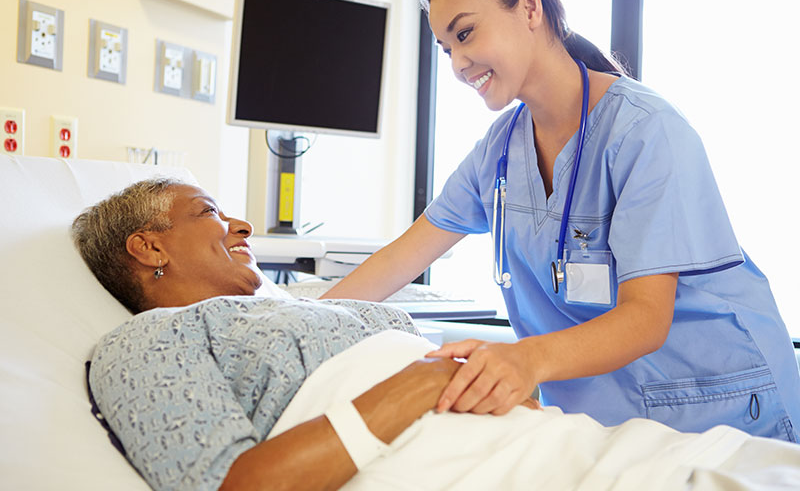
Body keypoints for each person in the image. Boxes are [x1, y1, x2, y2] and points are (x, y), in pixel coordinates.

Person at [321, 0, 800, 442]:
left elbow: (645, 320)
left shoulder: (646, 131)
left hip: (720, 407)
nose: (458, 63)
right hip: (606, 421)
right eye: (446, 48)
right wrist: (306, 319)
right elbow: (403, 257)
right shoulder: (500, 151)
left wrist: (523, 359)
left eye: (465, 34)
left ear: (530, 6)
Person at [74, 179, 800, 491]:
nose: (238, 225)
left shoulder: (304, 307)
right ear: (149, 248)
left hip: (572, 449)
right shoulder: (149, 342)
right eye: (209, 211)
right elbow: (234, 488)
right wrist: (421, 383)